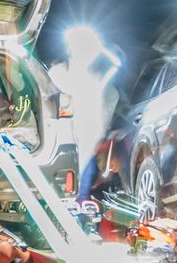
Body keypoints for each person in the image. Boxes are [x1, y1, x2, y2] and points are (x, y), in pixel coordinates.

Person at [49, 25, 122, 225]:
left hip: (87, 142)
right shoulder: (60, 73)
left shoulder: (104, 85)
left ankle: (78, 220)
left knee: (81, 187)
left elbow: (103, 113)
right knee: (68, 186)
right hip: (64, 142)